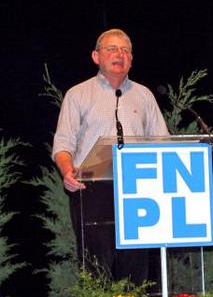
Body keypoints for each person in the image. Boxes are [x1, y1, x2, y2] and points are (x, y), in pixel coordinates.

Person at [52, 28, 169, 284]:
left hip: (139, 191)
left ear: (131, 59)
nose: (120, 54)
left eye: (125, 50)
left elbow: (162, 141)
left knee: (136, 270)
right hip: (92, 189)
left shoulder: (144, 95)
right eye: (112, 49)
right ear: (96, 56)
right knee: (97, 270)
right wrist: (67, 171)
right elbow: (63, 143)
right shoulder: (78, 94)